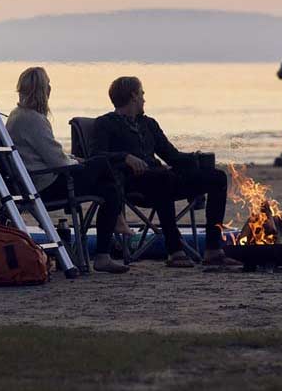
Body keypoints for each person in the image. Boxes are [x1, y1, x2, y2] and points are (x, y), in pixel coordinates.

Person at [89, 76, 239, 268]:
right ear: (133, 96)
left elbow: (172, 156)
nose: (144, 99)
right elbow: (96, 156)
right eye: (142, 94)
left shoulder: (149, 123)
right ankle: (174, 250)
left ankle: (213, 250)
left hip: (163, 180)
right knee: (162, 177)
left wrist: (197, 158)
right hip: (132, 184)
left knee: (217, 178)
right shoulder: (105, 123)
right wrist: (125, 157)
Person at [6, 67, 130, 274]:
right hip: (46, 185)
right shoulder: (33, 120)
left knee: (107, 188)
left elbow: (49, 154)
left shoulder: (16, 116)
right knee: (101, 164)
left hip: (36, 180)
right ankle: (107, 243)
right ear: (44, 91)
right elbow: (56, 160)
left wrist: (74, 159)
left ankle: (105, 250)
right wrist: (77, 163)